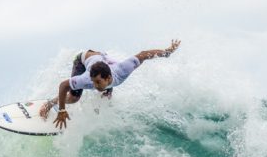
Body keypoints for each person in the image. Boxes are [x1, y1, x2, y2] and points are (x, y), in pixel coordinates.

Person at [39, 39, 181, 130]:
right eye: (93, 82)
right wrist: (62, 110)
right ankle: (49, 104)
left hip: (103, 60)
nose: (94, 86)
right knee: (75, 97)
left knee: (106, 97)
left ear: (108, 78)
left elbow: (143, 54)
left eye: (98, 82)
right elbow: (63, 86)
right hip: (83, 59)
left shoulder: (122, 70)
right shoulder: (87, 79)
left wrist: (166, 52)